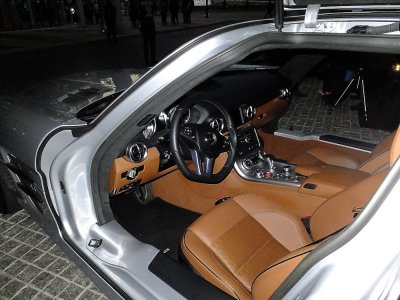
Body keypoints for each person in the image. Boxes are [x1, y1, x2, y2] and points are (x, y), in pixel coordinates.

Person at [139, 0, 157, 66]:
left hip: (151, 25)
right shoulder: (141, 4)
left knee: (152, 43)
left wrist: (152, 3)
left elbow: (155, 8)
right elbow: (139, 16)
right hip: (145, 26)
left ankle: (153, 59)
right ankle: (147, 60)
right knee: (146, 44)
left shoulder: (151, 4)